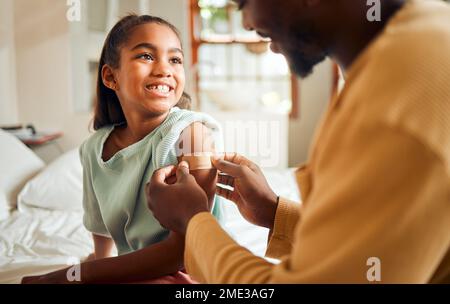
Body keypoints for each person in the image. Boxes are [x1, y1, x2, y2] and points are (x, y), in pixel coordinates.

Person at [147, 0, 450, 283]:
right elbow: (377, 241)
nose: (248, 23)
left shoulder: (397, 99)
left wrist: (194, 221)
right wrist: (276, 213)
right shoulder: (423, 37)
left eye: (245, 2)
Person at [21, 14, 223, 284]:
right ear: (110, 76)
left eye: (175, 59)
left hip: (194, 270)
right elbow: (100, 228)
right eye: (146, 56)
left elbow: (186, 250)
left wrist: (68, 277)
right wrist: (96, 266)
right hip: (140, 269)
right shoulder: (93, 149)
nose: (165, 69)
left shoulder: (193, 136)